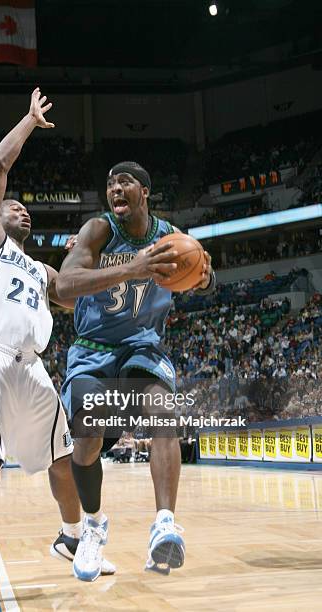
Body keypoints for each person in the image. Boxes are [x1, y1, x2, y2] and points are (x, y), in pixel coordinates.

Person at [0, 89, 113, 610]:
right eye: (16, 206)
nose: (23, 211)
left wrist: (128, 271)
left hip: (30, 367)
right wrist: (30, 122)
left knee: (63, 457)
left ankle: (71, 537)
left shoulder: (40, 271)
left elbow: (74, 290)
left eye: (26, 209)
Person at [56, 161, 216, 581]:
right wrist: (133, 267)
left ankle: (165, 523)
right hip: (93, 349)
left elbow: (206, 275)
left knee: (163, 414)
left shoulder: (172, 239)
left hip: (142, 345)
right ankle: (92, 527)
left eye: (124, 182)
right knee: (88, 435)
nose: (115, 188)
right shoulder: (98, 230)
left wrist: (202, 278)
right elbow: (64, 286)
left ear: (144, 191)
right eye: (109, 183)